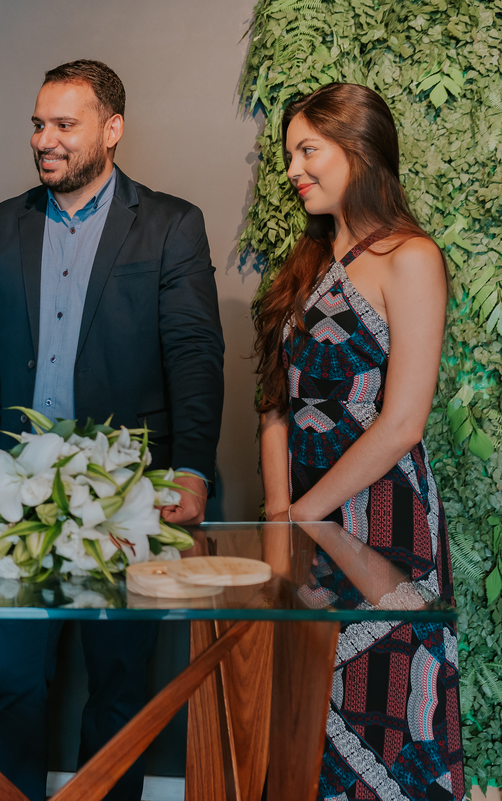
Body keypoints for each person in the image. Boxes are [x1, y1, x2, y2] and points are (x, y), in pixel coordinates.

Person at [0, 59, 225, 801]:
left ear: (112, 129)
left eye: (64, 125)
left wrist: (192, 467)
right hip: (13, 495)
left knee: (122, 683)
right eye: (39, 124)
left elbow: (195, 355)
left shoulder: (171, 223)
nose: (46, 140)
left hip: (128, 494)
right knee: (12, 680)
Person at [254, 83, 463, 800]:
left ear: (358, 149)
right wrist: (282, 514)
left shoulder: (412, 256)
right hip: (304, 516)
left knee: (386, 708)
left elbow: (403, 420)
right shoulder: (305, 263)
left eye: (307, 150)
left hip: (385, 519)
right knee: (305, 723)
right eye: (289, 155)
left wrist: (308, 510)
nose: (293, 169)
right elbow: (273, 405)